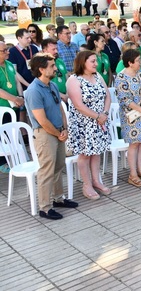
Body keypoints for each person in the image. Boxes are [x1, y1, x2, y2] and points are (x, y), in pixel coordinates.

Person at [24, 53, 78, 220]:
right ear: (41, 69)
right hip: (45, 135)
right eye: (52, 66)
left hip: (58, 132)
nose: (55, 68)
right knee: (47, 171)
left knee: (58, 166)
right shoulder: (33, 91)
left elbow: (60, 108)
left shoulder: (52, 85)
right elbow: (41, 120)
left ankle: (58, 199)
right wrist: (58, 134)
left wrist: (65, 129)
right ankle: (45, 208)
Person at [66, 50, 112, 200]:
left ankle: (96, 180)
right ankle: (87, 184)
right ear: (82, 62)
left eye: (96, 61)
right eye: (92, 61)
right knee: (85, 154)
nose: (96, 64)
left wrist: (104, 113)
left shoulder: (97, 76)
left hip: (100, 122)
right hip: (83, 125)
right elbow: (78, 105)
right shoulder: (74, 80)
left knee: (96, 152)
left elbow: (107, 96)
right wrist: (98, 116)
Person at [115, 49, 141, 187]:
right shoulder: (121, 77)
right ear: (130, 63)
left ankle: (140, 169)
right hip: (132, 117)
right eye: (138, 60)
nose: (140, 63)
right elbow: (124, 99)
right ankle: (132, 174)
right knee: (134, 143)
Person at [0, 41, 25, 118]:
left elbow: (17, 81)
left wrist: (20, 97)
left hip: (14, 107)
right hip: (2, 110)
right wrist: (15, 99)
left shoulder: (9, 64)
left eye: (7, 49)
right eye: (4, 50)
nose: (8, 52)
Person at [41, 39, 69, 103]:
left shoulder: (60, 61)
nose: (56, 51)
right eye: (53, 49)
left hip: (66, 96)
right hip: (52, 98)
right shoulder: (42, 66)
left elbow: (66, 78)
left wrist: (67, 94)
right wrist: (61, 95)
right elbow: (45, 85)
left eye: (57, 49)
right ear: (45, 50)